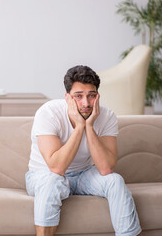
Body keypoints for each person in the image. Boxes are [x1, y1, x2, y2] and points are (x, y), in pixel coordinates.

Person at [25, 65, 141, 236]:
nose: (86, 103)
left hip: (83, 175)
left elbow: (106, 168)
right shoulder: (48, 112)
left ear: (97, 96)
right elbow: (56, 168)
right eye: (78, 96)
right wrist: (79, 126)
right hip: (43, 175)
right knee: (52, 181)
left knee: (115, 181)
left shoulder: (107, 116)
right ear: (67, 98)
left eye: (91, 96)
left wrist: (89, 125)